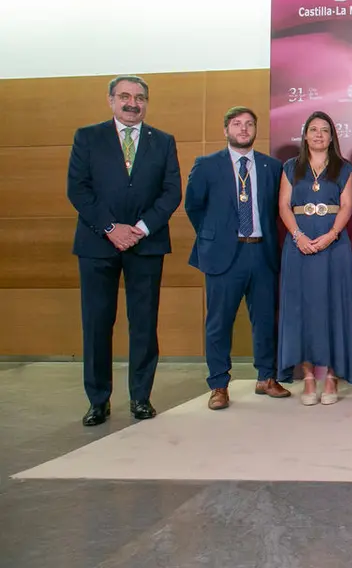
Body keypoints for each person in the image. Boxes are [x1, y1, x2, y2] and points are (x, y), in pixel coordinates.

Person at [66, 75, 181, 426]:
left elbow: (171, 191)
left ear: (147, 102)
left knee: (144, 325)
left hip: (146, 245)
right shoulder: (88, 137)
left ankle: (140, 398)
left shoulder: (162, 141)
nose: (133, 103)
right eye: (125, 96)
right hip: (97, 244)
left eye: (140, 97)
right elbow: (78, 189)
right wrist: (110, 228)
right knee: (98, 324)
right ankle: (98, 400)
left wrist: (141, 229)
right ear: (111, 100)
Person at [185, 107, 290, 410]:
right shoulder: (206, 165)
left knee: (265, 319)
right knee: (219, 322)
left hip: (261, 252)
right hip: (223, 255)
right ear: (226, 130)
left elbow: (276, 210)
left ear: (256, 130)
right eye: (236, 124)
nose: (243, 129)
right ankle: (219, 384)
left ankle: (266, 377)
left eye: (249, 124)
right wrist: (214, 237)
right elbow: (194, 206)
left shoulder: (272, 167)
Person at [277, 111, 352, 405]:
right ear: (305, 135)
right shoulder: (291, 167)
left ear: (332, 136)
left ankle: (333, 377)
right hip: (299, 244)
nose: (318, 135)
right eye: (313, 129)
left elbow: (348, 206)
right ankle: (310, 377)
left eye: (324, 130)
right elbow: (284, 206)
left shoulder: (344, 167)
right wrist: (299, 236)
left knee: (335, 307)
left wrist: (331, 235)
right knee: (303, 309)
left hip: (334, 245)